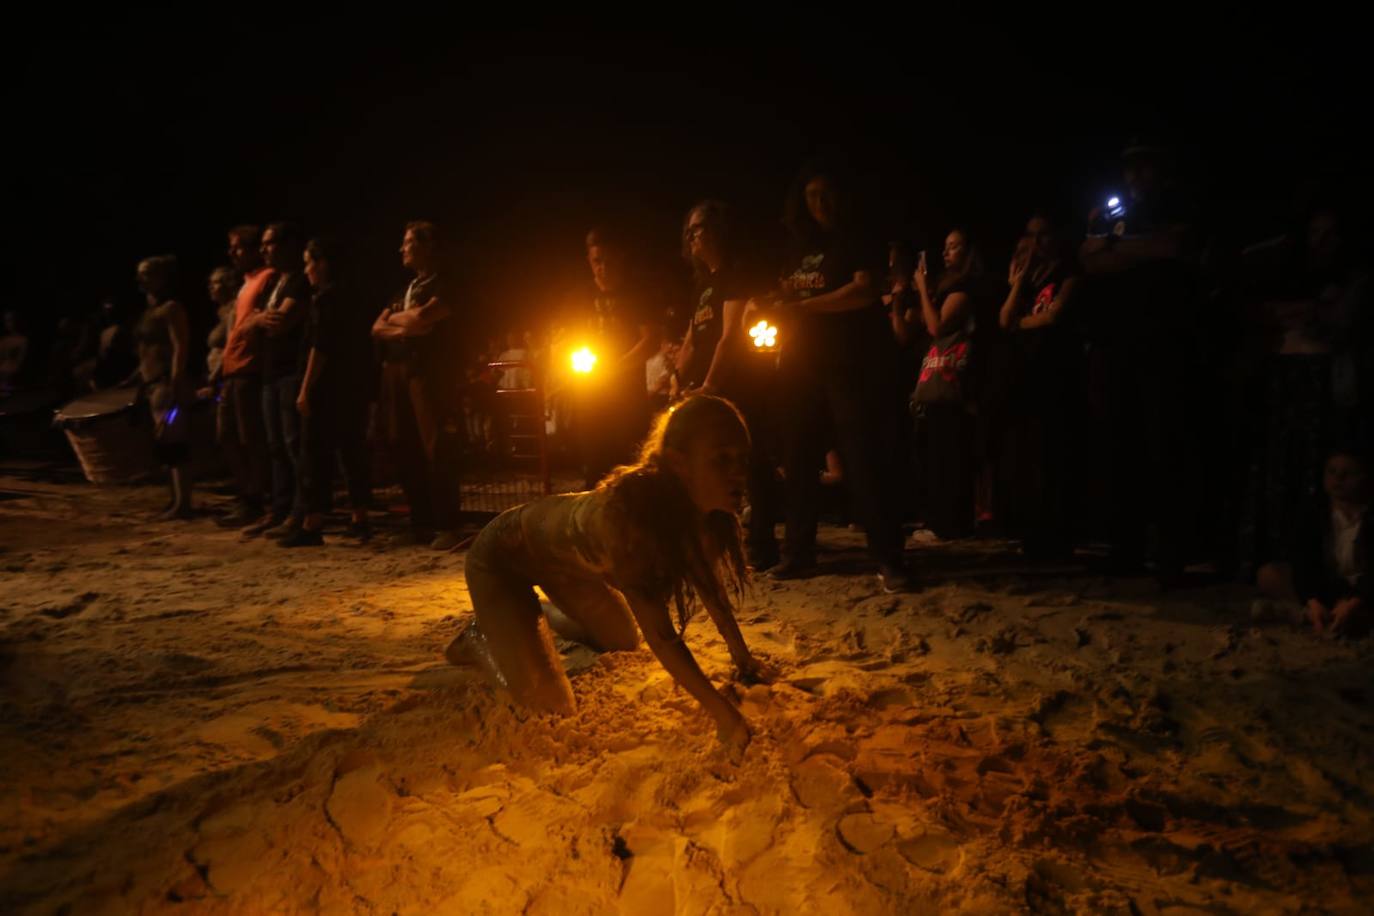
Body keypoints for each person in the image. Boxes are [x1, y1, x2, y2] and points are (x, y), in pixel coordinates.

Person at [445, 396, 769, 755]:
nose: (738, 472)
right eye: (722, 459)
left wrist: (743, 659)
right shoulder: (632, 522)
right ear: (679, 463)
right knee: (551, 706)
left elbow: (709, 586)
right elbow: (663, 638)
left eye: (742, 459)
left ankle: (532, 616)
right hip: (500, 561)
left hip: (566, 569)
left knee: (623, 640)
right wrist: (725, 717)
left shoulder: (701, 513)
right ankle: (479, 637)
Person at [771, 163, 913, 592]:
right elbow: (788, 292)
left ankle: (888, 557)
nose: (820, 203)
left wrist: (803, 307)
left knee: (864, 459)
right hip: (802, 364)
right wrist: (776, 305)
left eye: (826, 194)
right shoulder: (798, 247)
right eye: (811, 196)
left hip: (852, 364)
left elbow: (863, 290)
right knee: (799, 458)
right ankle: (798, 553)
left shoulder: (857, 240)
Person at [674, 199, 782, 570]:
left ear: (717, 231)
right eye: (688, 230)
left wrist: (710, 385)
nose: (692, 236)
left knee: (753, 462)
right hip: (708, 389)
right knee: (711, 464)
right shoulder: (702, 286)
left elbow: (730, 335)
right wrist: (674, 379)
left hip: (739, 386)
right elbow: (692, 340)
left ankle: (763, 545)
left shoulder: (734, 276)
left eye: (698, 228)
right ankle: (721, 543)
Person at [372, 220, 466, 549]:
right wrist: (404, 327)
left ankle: (447, 524)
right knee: (403, 443)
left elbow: (425, 318)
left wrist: (403, 321)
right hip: (399, 371)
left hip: (430, 372)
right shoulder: (406, 289)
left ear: (428, 246)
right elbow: (376, 327)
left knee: (436, 445)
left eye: (409, 242)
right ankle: (420, 521)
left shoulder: (447, 283)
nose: (402, 249)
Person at [998, 214, 1083, 558]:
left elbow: (1055, 314)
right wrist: (1018, 283)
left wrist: (1021, 323)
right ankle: (1034, 533)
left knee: (1055, 455)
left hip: (1057, 372)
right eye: (1031, 235)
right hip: (1028, 376)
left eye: (1043, 235)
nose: (1036, 243)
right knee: (1030, 457)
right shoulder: (1030, 281)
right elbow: (1004, 319)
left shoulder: (1069, 272)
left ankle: (1059, 534)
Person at [285, 237, 373, 547]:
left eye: (309, 262)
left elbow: (320, 346)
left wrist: (306, 388)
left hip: (326, 388)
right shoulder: (352, 297)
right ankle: (360, 518)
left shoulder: (325, 300)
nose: (306, 270)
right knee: (351, 450)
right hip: (351, 385)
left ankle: (313, 522)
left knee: (313, 453)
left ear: (323, 263)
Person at [565, 227, 661, 489]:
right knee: (594, 463)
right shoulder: (579, 297)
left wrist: (616, 368)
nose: (603, 268)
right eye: (597, 261)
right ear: (589, 260)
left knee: (629, 466)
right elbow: (569, 337)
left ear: (620, 259)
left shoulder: (637, 294)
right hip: (589, 396)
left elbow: (651, 339)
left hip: (627, 397)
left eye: (608, 260)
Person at [907, 230, 982, 540]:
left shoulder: (964, 289)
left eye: (954, 246)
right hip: (940, 379)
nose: (946, 252)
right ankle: (941, 519)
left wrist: (924, 292)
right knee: (936, 452)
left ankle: (950, 523)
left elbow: (936, 327)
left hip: (954, 380)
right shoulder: (947, 287)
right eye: (945, 246)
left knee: (949, 452)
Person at [1255, 447, 1371, 637]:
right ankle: (1318, 612)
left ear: (1364, 477)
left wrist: (1354, 602)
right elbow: (1304, 561)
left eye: (1348, 473)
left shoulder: (1368, 514)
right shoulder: (1314, 511)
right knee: (1269, 574)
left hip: (1363, 589)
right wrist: (1313, 600)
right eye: (1332, 471)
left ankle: (1311, 615)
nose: (1338, 479)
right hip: (1327, 585)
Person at [243, 222, 311, 539]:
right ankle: (280, 509)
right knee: (275, 446)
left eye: (270, 243)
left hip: (290, 371)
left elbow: (281, 323)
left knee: (292, 444)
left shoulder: (299, 281)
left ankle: (301, 512)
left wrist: (259, 321)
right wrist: (259, 319)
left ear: (288, 245)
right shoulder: (274, 283)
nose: (264, 249)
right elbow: (247, 326)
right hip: (270, 372)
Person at [215, 225, 276, 528]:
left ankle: (259, 500)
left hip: (250, 368)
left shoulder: (268, 277)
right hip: (233, 368)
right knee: (226, 435)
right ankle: (249, 495)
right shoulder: (246, 282)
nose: (232, 253)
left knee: (251, 438)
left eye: (238, 247)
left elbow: (269, 315)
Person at [133, 255, 194, 520]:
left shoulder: (171, 309)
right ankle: (175, 500)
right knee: (164, 444)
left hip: (165, 381)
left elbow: (180, 346)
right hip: (151, 382)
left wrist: (175, 381)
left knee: (174, 442)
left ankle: (183, 503)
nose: (142, 278)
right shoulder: (149, 311)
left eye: (147, 273)